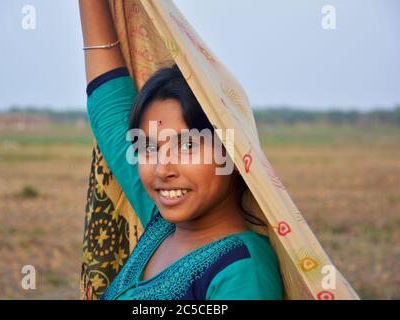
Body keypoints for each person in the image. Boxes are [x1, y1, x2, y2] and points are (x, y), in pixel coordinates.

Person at [79, 0, 283, 300]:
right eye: (149, 148)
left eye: (187, 145)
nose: (163, 169)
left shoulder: (242, 273)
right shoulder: (161, 223)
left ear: (232, 152)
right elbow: (107, 102)